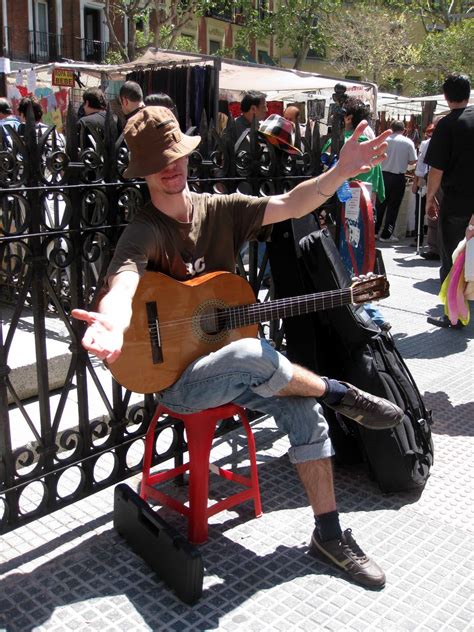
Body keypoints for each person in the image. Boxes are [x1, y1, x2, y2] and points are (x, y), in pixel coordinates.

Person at [71, 107, 401, 590]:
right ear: (142, 170)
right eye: (158, 161)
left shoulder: (218, 208)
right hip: (180, 384)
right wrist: (115, 322)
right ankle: (338, 391)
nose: (171, 167)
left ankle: (329, 534)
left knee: (298, 405)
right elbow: (124, 282)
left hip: (240, 373)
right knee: (251, 354)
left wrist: (341, 171)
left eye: (176, 155)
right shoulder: (143, 230)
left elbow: (290, 203)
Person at [425, 73, 474, 329]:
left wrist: (430, 199)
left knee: (452, 261)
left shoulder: (447, 125)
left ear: (446, 97)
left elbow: (437, 169)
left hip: (457, 203)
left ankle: (453, 316)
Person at [375, 121, 417, 242]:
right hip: (398, 177)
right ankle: (386, 235)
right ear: (404, 130)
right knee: (393, 207)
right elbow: (412, 161)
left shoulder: (384, 140)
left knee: (379, 205)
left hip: (383, 175)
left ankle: (374, 231)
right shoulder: (408, 142)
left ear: (391, 128)